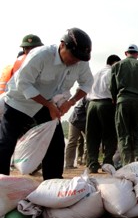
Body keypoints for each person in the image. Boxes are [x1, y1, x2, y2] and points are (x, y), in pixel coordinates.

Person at [0, 27, 93, 180]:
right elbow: (23, 83)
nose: (74, 61)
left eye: (78, 58)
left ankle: (53, 183)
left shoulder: (80, 61)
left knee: (55, 144)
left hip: (47, 104)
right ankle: (2, 182)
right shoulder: (41, 55)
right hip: (20, 102)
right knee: (6, 143)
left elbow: (86, 84)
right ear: (62, 45)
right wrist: (49, 106)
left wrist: (70, 103)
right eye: (72, 56)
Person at [110, 44, 138, 165]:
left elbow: (112, 86)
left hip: (122, 101)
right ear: (137, 54)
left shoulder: (117, 66)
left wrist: (116, 99)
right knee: (137, 134)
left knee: (124, 135)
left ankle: (126, 164)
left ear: (126, 53)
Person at [86, 54, 121, 173]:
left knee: (92, 136)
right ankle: (107, 162)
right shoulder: (111, 72)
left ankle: (92, 164)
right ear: (115, 63)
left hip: (91, 104)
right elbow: (113, 89)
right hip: (106, 104)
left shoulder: (97, 73)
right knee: (110, 135)